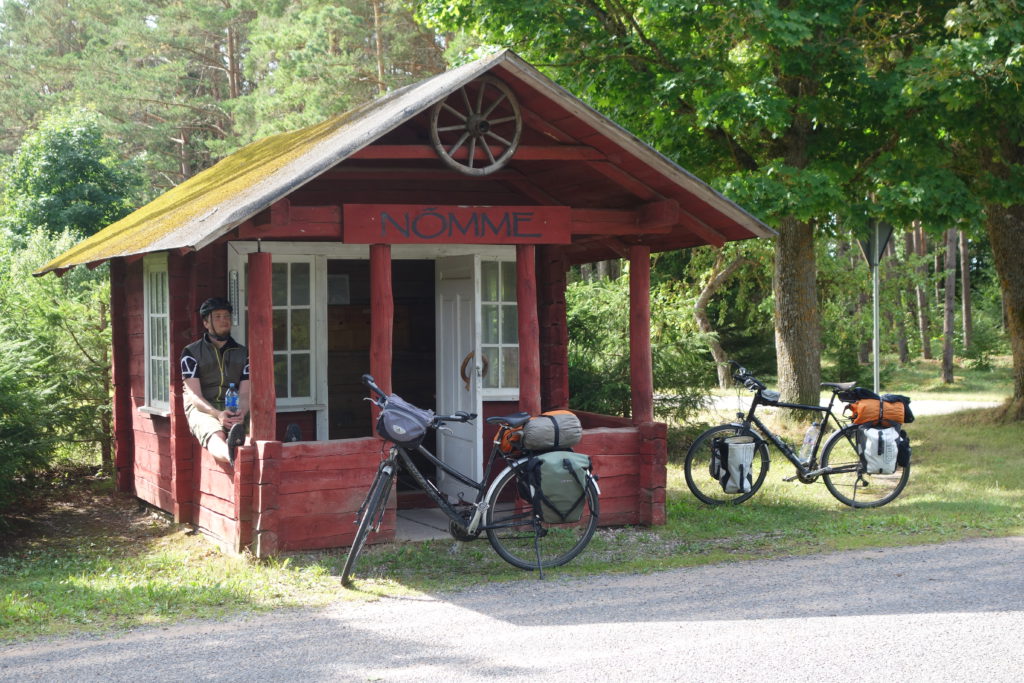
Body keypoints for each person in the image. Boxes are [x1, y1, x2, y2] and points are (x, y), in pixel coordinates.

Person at [180, 297, 250, 466]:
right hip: (203, 407)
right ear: (206, 323)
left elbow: (246, 393)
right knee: (215, 434)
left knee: (251, 434)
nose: (223, 321)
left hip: (234, 405)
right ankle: (231, 456)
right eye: (217, 317)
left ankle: (278, 453)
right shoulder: (191, 352)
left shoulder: (243, 353)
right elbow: (195, 397)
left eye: (226, 316)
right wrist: (218, 414)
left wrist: (241, 413)